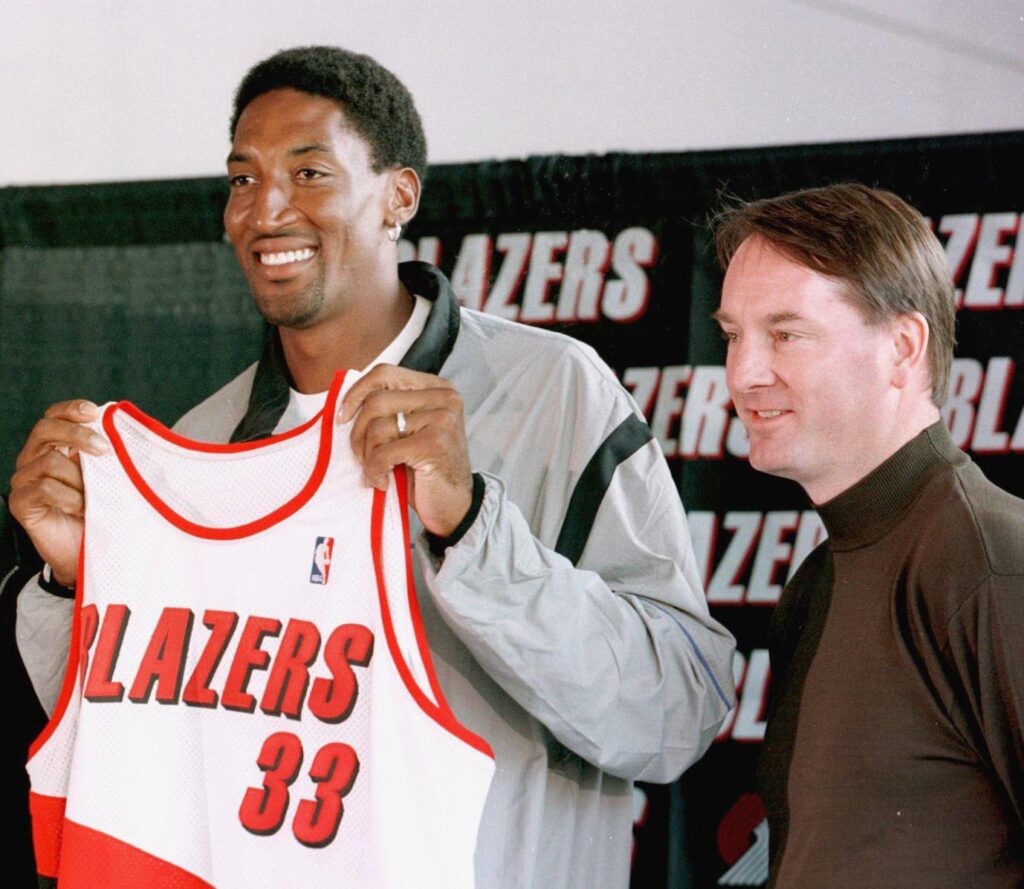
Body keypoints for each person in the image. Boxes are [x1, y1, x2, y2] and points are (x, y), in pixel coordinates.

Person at [9, 46, 735, 888]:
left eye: (310, 171)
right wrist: (78, 587)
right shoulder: (203, 439)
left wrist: (472, 530)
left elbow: (678, 711)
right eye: (242, 179)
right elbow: (147, 749)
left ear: (399, 196)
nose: (265, 209)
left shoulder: (553, 391)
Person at [713, 183, 1024, 887]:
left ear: (902, 347)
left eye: (786, 334)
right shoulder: (819, 578)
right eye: (733, 335)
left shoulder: (990, 562)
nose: (743, 372)